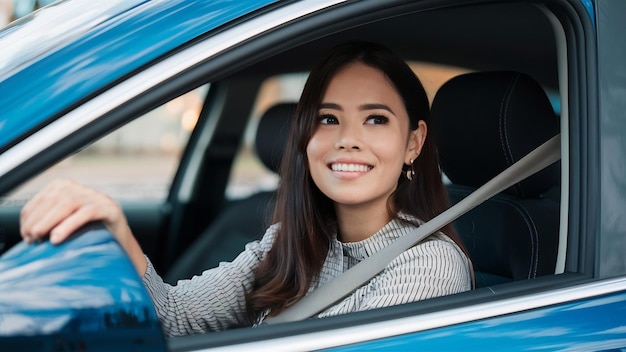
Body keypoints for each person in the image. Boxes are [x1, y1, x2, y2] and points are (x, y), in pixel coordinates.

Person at [20, 42, 472, 336]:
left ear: (413, 143)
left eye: (375, 119)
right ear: (305, 139)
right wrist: (116, 229)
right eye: (327, 118)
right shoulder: (288, 242)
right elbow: (176, 319)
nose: (346, 138)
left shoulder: (430, 265)